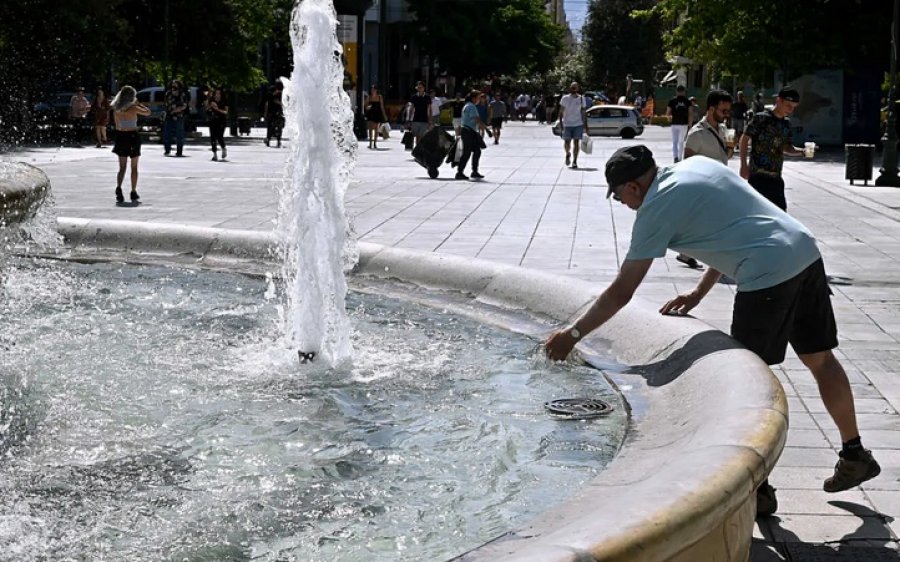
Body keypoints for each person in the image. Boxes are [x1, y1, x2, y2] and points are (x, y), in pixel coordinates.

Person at [545, 145, 880, 517]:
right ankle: (855, 453)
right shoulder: (697, 166)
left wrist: (573, 335)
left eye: (619, 194)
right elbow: (730, 226)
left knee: (749, 383)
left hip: (767, 271)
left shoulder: (655, 209)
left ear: (633, 187)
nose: (621, 203)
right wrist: (698, 293)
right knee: (820, 359)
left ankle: (758, 489)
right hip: (802, 249)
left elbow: (622, 291)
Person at [676, 89, 734, 269]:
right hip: (704, 187)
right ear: (711, 109)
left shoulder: (723, 129)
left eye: (728, 111)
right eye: (723, 110)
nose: (726, 115)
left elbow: (726, 155)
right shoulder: (696, 134)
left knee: (709, 223)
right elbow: (687, 163)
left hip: (720, 184)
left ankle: (686, 253)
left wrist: (731, 147)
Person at [739, 86, 806, 211]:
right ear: (779, 101)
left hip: (776, 177)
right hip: (758, 175)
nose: (790, 110)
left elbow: (787, 147)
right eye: (788, 105)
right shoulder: (761, 118)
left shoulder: (786, 123)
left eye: (793, 107)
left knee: (780, 214)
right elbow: (744, 139)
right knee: (757, 214)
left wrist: (802, 152)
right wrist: (743, 165)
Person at [110, 85, 151, 204]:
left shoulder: (116, 109)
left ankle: (118, 187)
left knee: (122, 167)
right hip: (133, 136)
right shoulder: (133, 108)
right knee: (134, 167)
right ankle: (133, 191)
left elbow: (117, 125)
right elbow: (148, 113)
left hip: (121, 136)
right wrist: (140, 104)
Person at [455, 90, 486, 181]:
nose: (480, 99)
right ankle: (459, 172)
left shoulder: (467, 105)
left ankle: (474, 171)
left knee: (477, 151)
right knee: (467, 153)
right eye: (479, 97)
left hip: (469, 131)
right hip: (468, 132)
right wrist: (487, 130)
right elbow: (476, 119)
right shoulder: (471, 106)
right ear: (474, 98)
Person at [558, 82, 589, 169]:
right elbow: (561, 112)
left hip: (578, 124)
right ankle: (568, 153)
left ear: (578, 88)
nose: (573, 89)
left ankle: (575, 161)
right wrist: (561, 124)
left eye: (575, 88)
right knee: (567, 142)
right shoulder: (565, 98)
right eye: (572, 87)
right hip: (567, 124)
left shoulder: (582, 99)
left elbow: (584, 112)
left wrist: (586, 125)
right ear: (570, 88)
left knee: (576, 143)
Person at [163, 80, 188, 157]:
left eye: (175, 85)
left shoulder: (182, 94)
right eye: (172, 85)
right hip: (169, 115)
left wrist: (176, 110)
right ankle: (167, 149)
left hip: (179, 116)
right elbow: (166, 104)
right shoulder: (168, 93)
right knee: (167, 133)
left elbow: (184, 105)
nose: (174, 87)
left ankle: (179, 151)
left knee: (179, 134)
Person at [666, 85, 691, 162]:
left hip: (674, 123)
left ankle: (675, 157)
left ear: (676, 91)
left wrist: (669, 119)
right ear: (684, 92)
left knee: (675, 142)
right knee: (681, 142)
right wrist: (690, 124)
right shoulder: (687, 101)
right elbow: (691, 113)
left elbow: (668, 113)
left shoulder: (672, 101)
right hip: (684, 124)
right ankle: (680, 159)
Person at [206, 86, 229, 161]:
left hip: (221, 120)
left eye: (219, 93)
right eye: (216, 93)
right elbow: (207, 108)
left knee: (219, 136)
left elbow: (225, 112)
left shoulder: (224, 100)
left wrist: (217, 109)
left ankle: (223, 148)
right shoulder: (211, 100)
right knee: (213, 137)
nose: (217, 95)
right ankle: (214, 154)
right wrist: (210, 106)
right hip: (212, 120)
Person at [409, 81, 432, 148]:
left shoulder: (427, 97)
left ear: (423, 88)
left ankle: (419, 150)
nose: (419, 89)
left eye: (420, 87)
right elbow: (411, 108)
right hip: (416, 119)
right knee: (417, 136)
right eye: (418, 87)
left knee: (422, 136)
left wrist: (430, 119)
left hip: (424, 119)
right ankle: (417, 150)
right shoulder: (414, 97)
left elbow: (430, 109)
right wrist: (409, 120)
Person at [365, 85, 387, 150]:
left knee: (376, 129)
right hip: (370, 113)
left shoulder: (380, 97)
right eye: (372, 90)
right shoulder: (369, 97)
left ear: (376, 90)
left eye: (374, 90)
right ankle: (370, 143)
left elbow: (382, 107)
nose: (373, 91)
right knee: (370, 128)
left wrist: (384, 115)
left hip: (377, 113)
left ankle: (374, 142)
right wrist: (367, 107)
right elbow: (365, 105)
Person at [264, 81, 285, 148]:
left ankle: (274, 139)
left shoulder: (282, 93)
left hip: (276, 112)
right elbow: (270, 101)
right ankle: (270, 139)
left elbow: (267, 103)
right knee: (272, 126)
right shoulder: (272, 92)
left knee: (276, 126)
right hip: (273, 112)